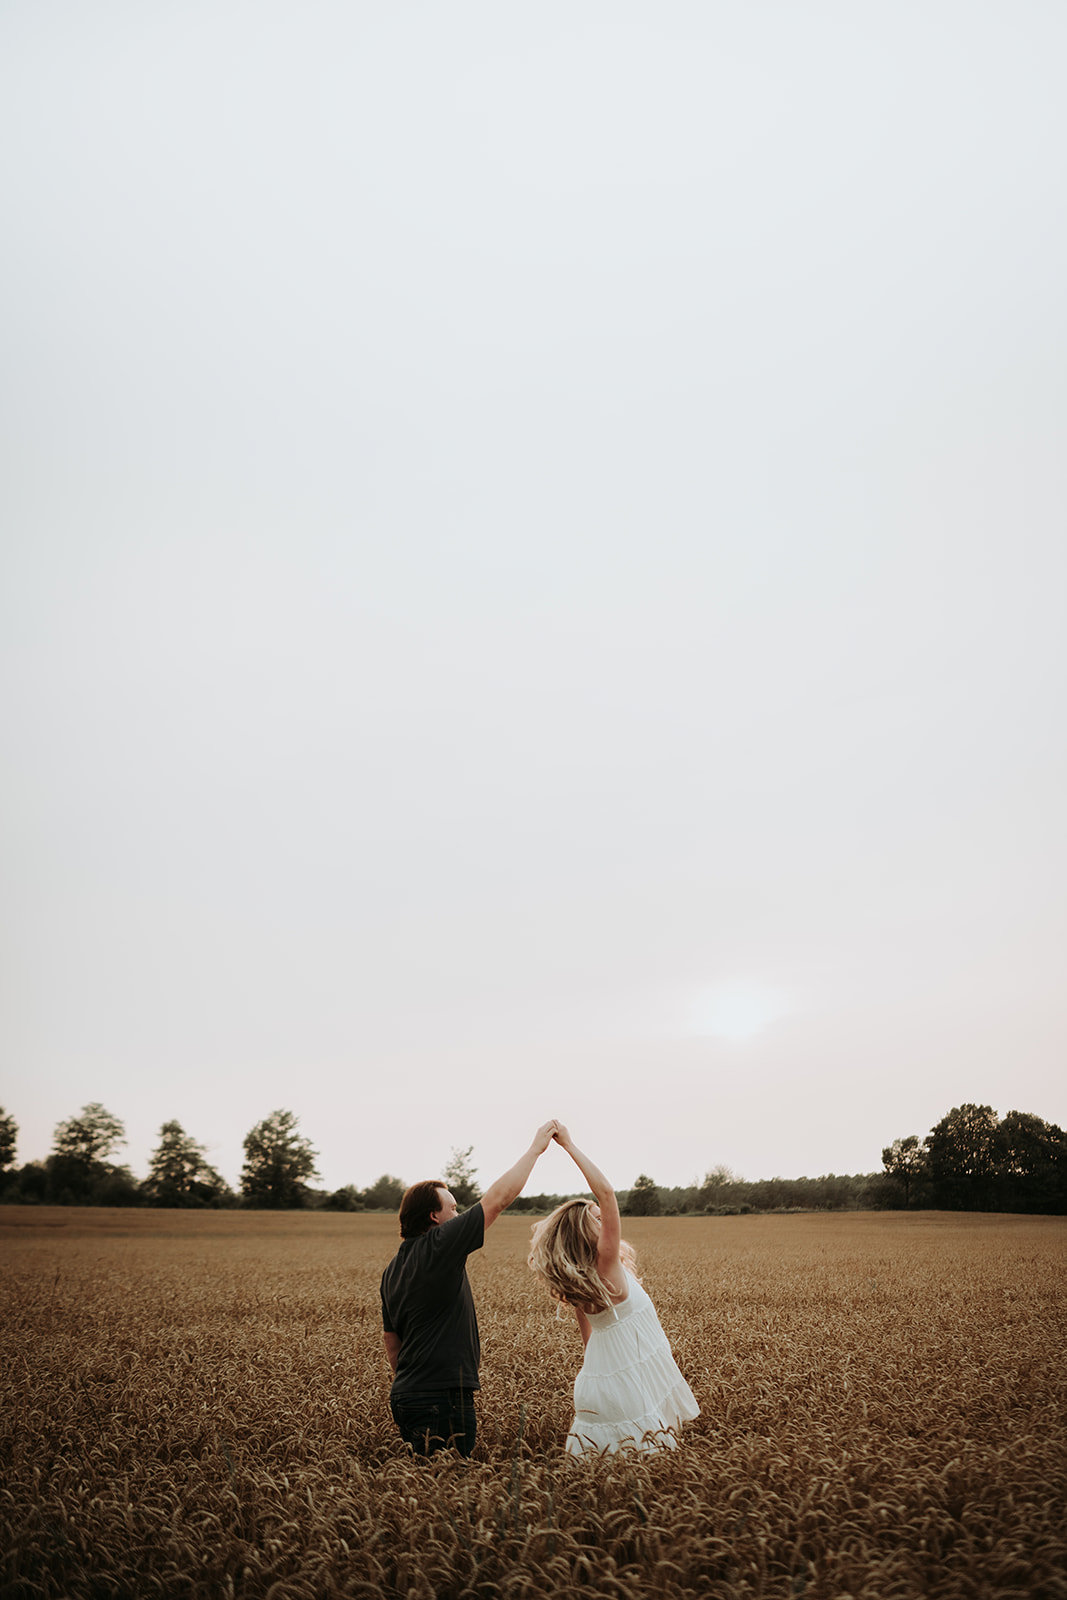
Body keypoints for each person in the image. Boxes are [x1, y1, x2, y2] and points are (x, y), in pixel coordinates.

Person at [381, 1119, 558, 1457]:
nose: (459, 1214)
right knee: (451, 1493)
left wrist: (414, 1385)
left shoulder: (392, 1270)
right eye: (453, 1208)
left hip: (407, 1394)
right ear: (434, 1218)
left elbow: (392, 1345)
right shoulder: (439, 1244)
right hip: (442, 1396)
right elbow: (497, 1199)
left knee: (427, 1493)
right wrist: (536, 1148)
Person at [528, 1124, 699, 1455]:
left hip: (598, 1382)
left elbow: (590, 1341)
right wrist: (570, 1145)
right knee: (647, 1464)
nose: (604, 1219)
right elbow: (606, 1193)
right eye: (597, 1218)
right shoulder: (606, 1265)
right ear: (590, 1232)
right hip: (627, 1387)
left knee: (601, 1469)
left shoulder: (582, 1281)